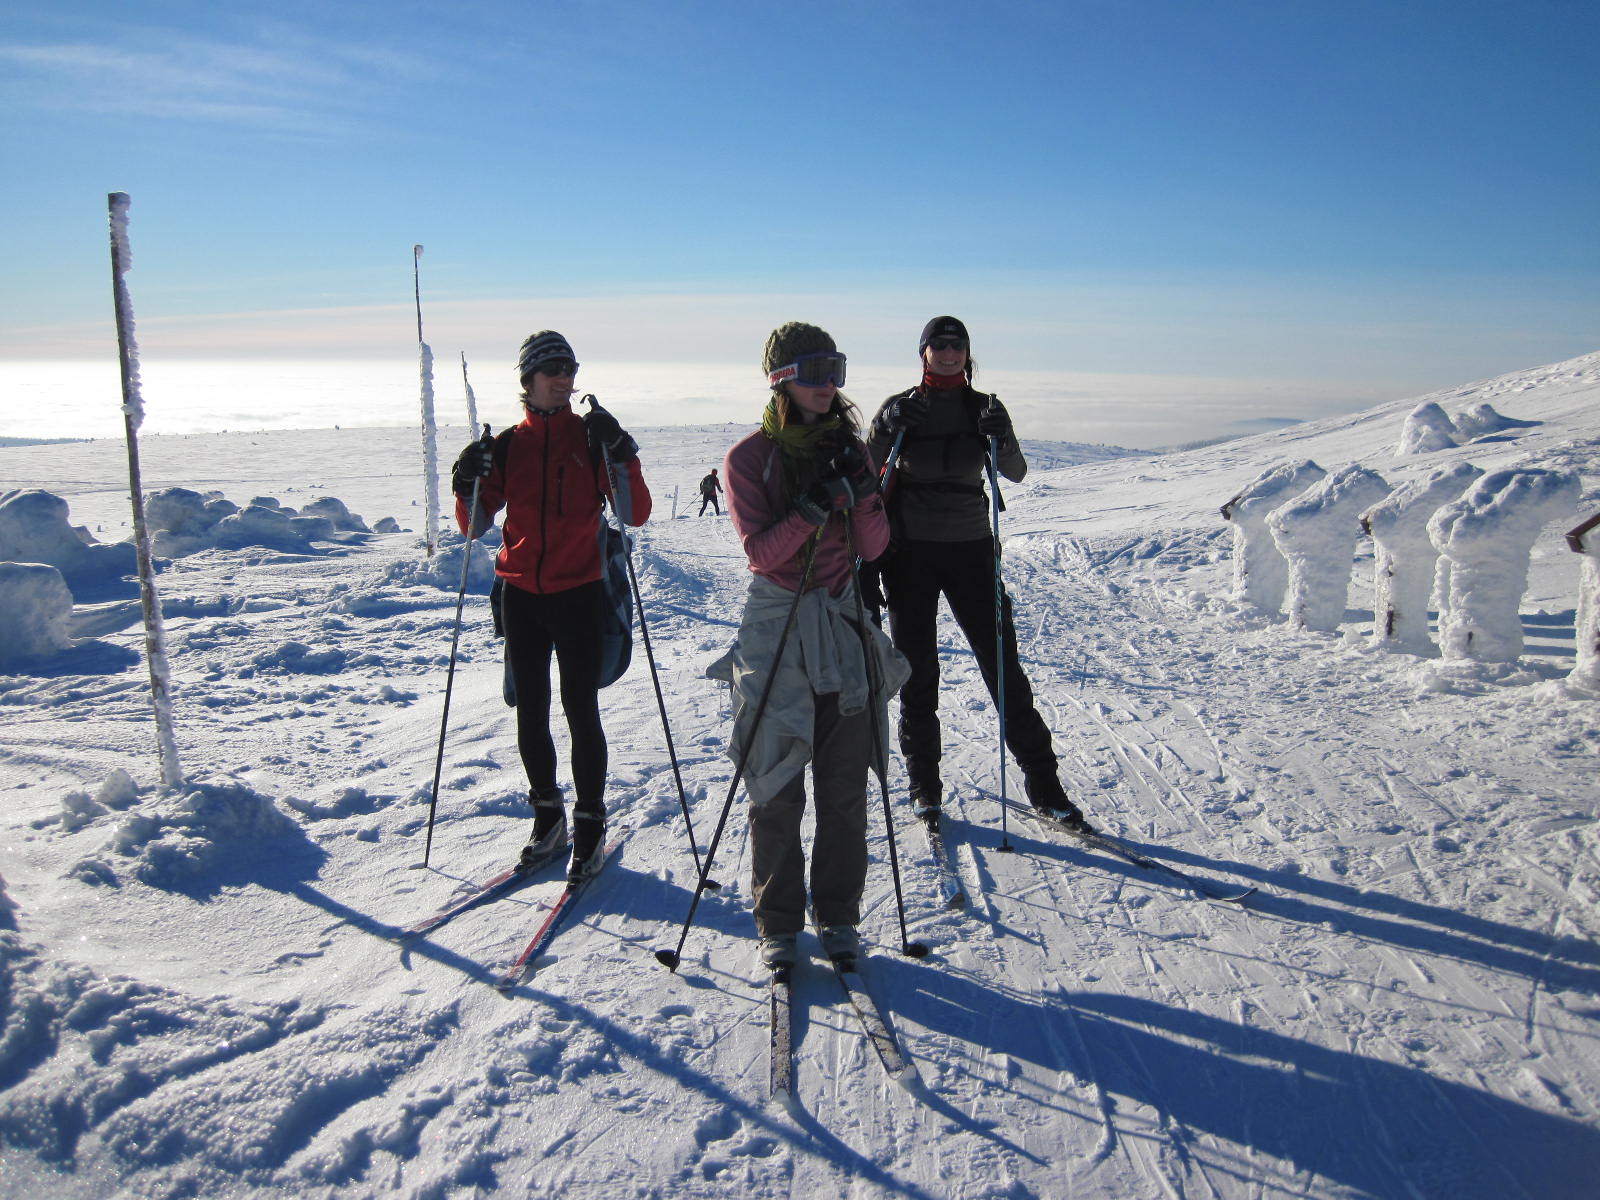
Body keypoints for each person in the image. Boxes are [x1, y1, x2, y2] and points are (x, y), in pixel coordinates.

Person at [708, 322, 908, 970]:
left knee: (845, 785)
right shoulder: (748, 460)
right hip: (777, 628)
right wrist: (812, 509)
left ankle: (839, 916)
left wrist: (866, 496)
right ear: (783, 381)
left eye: (836, 370)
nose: (830, 385)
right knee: (775, 783)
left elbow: (874, 547)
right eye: (816, 372)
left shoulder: (851, 450)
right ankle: (779, 923)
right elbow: (762, 554)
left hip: (842, 623)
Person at [866, 316, 1091, 832]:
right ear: (923, 352)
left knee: (1002, 668)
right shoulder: (900, 407)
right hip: (909, 553)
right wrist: (885, 427)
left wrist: (1002, 435)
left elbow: (1015, 471)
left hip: (971, 550)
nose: (948, 352)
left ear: (968, 354)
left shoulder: (984, 408)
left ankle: (1045, 785)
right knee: (918, 672)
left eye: (957, 345)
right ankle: (924, 785)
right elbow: (869, 464)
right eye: (939, 344)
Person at [451, 330, 652, 881]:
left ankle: (589, 825)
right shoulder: (508, 446)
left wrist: (622, 453)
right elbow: (474, 524)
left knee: (580, 709)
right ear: (529, 379)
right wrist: (466, 481)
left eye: (569, 368)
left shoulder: (589, 438)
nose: (564, 377)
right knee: (531, 710)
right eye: (553, 369)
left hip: (579, 592)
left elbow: (634, 513)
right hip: (521, 595)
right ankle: (548, 819)